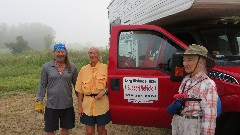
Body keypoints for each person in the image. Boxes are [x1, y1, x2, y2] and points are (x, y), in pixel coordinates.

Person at [171, 44, 218, 135]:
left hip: (194, 128)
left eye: (190, 60)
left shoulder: (208, 85)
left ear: (200, 62)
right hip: (179, 124)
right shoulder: (186, 80)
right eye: (184, 60)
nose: (185, 64)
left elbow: (209, 119)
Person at [35, 43, 78, 135]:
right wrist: (39, 100)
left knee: (65, 129)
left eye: (62, 51)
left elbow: (76, 85)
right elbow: (42, 84)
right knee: (50, 130)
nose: (60, 54)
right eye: (58, 51)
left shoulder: (72, 67)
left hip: (67, 104)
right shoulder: (46, 67)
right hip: (51, 105)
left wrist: (82, 100)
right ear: (54, 53)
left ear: (66, 53)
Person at [76, 47, 110, 135]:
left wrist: (104, 91)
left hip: (102, 106)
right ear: (89, 55)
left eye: (95, 53)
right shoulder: (83, 70)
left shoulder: (105, 68)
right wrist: (80, 106)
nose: (93, 55)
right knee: (89, 131)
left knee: (101, 130)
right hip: (87, 106)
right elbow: (80, 91)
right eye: (91, 53)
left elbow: (112, 85)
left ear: (98, 55)